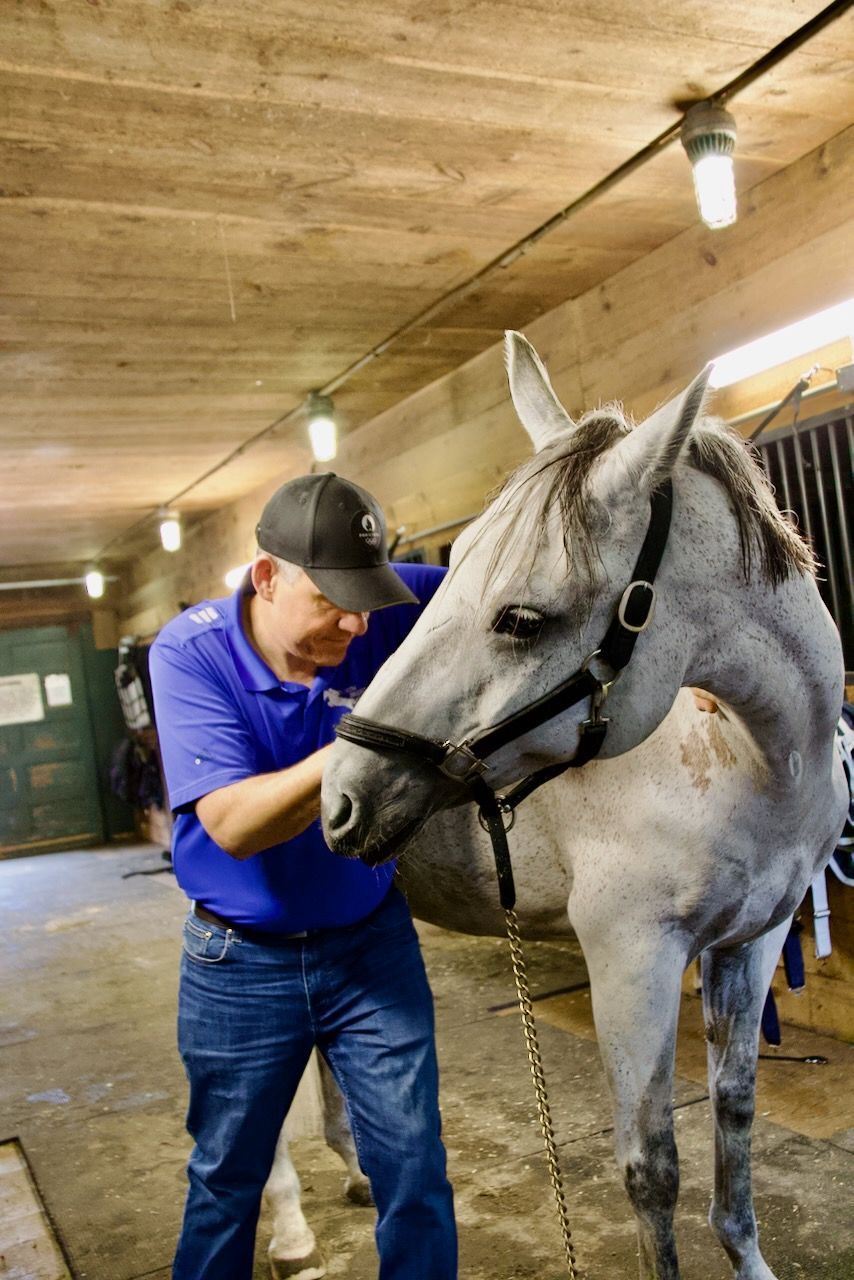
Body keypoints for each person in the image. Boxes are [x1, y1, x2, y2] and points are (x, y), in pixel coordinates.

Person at [149, 472, 456, 1280]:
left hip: (370, 946)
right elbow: (234, 825)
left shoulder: (380, 606)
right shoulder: (189, 654)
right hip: (240, 963)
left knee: (414, 1168)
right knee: (226, 1181)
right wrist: (364, 743)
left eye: (368, 600)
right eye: (333, 602)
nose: (358, 623)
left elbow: (523, 577)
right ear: (266, 578)